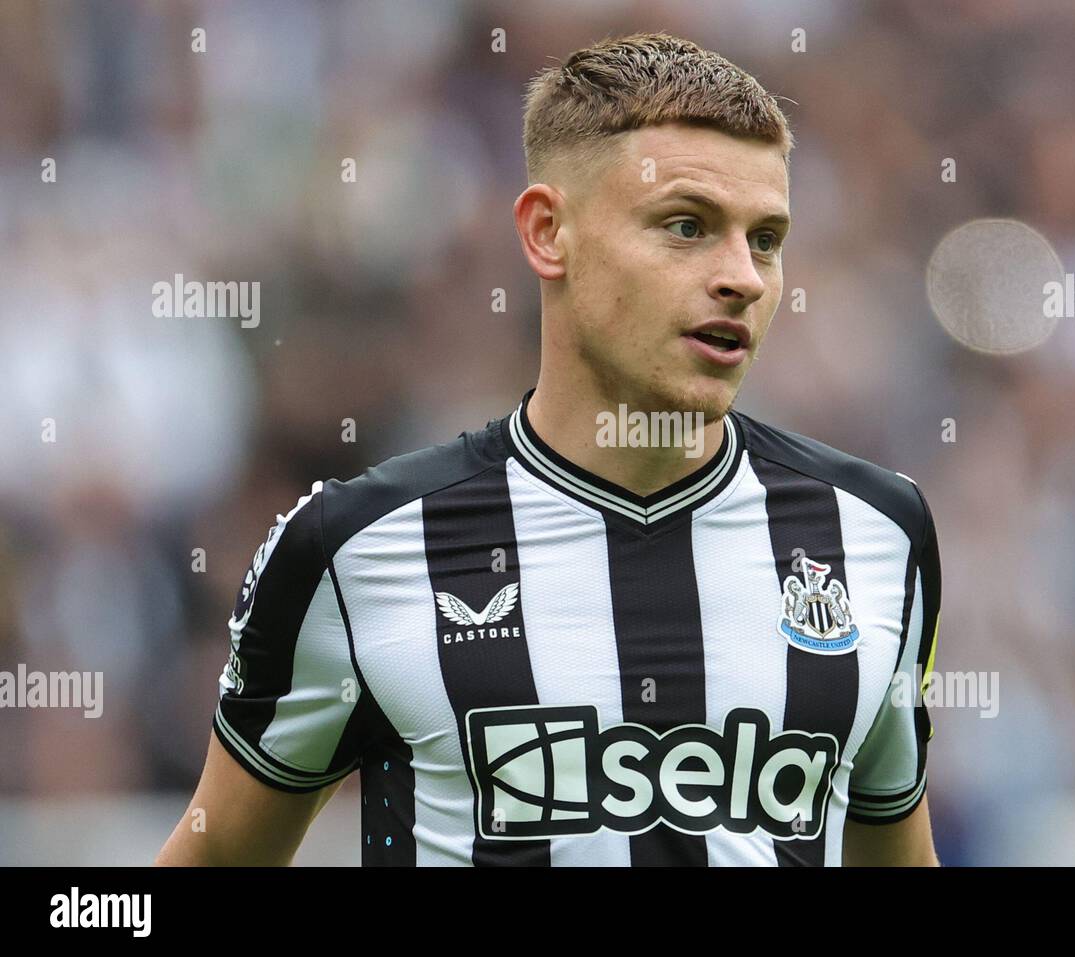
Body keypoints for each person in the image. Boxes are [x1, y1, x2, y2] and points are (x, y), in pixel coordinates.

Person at [157, 31, 941, 867]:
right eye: (687, 225)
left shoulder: (877, 536)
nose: (742, 276)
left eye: (766, 239)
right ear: (547, 233)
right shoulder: (354, 550)